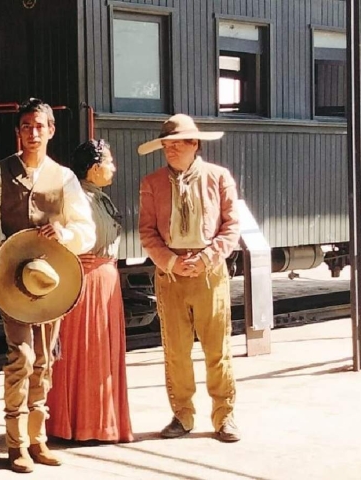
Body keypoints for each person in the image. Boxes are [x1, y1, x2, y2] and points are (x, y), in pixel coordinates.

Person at [0, 98, 95, 473]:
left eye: (39, 126)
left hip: (49, 280)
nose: (33, 132)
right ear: (18, 131)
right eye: (26, 126)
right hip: (12, 279)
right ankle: (15, 443)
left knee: (44, 358)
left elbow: (85, 230)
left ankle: (38, 438)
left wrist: (64, 232)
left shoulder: (65, 177)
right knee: (20, 356)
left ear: (51, 130)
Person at [137, 113, 241, 443]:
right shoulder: (152, 184)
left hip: (209, 273)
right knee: (176, 350)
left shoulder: (218, 177)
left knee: (217, 347)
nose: (170, 149)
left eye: (178, 143)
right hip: (171, 275)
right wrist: (170, 262)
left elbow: (231, 226)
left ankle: (224, 416)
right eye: (166, 144)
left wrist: (208, 258)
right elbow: (147, 232)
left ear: (195, 144)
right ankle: (182, 415)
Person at [46, 139, 134, 444]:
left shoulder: (98, 196)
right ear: (94, 168)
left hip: (103, 277)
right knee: (86, 351)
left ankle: (95, 422)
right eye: (109, 162)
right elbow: (57, 235)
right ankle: (82, 424)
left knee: (98, 351)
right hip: (87, 280)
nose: (113, 168)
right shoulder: (75, 197)